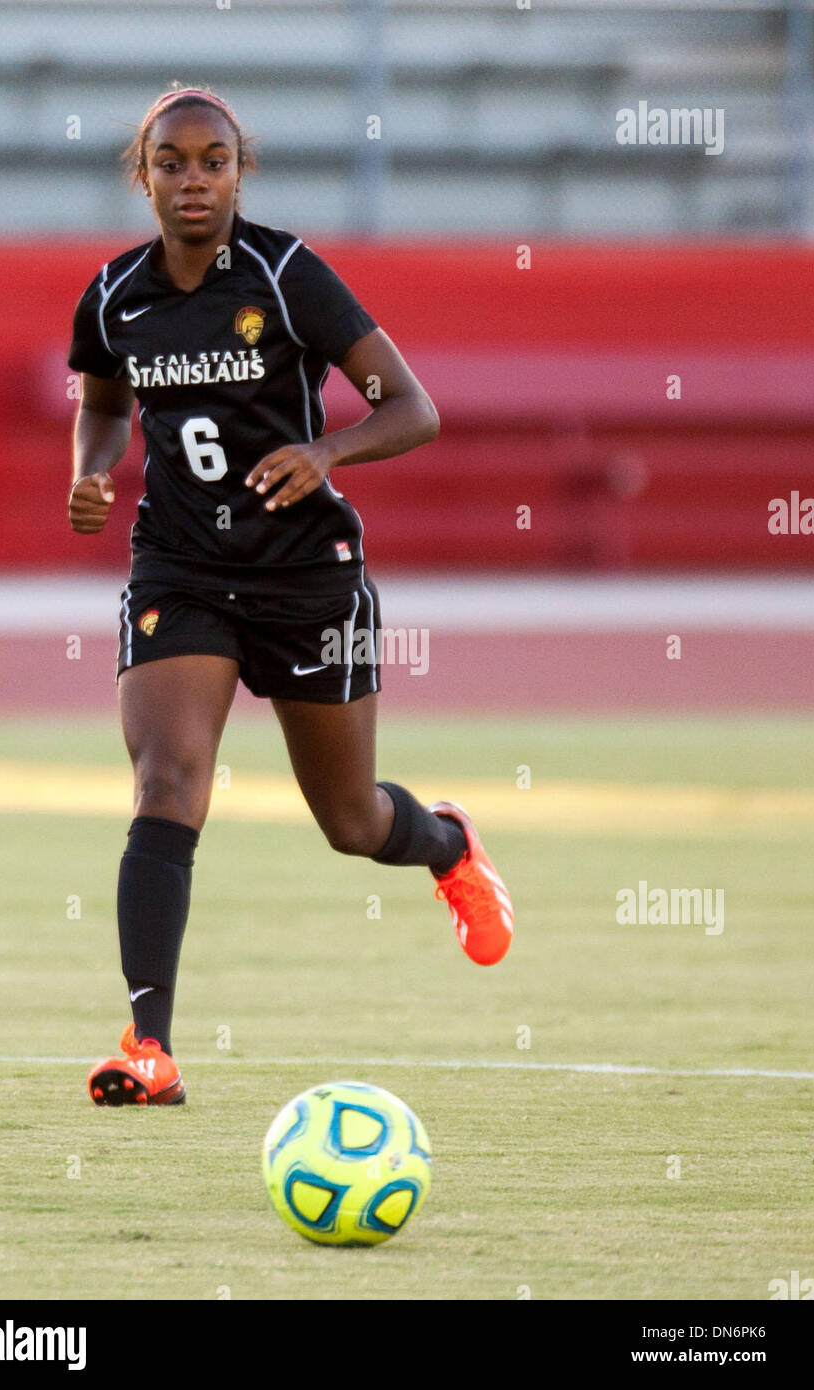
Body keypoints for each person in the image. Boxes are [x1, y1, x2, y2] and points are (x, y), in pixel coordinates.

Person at [67, 85, 513, 1107]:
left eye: (212, 161)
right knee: (165, 787)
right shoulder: (111, 296)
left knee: (350, 820)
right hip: (178, 570)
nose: (192, 179)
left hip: (306, 574)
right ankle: (148, 1047)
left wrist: (326, 449)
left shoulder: (288, 272)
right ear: (143, 175)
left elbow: (414, 408)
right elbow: (100, 406)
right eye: (170, 162)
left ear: (239, 171)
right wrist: (91, 472)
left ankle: (445, 841)